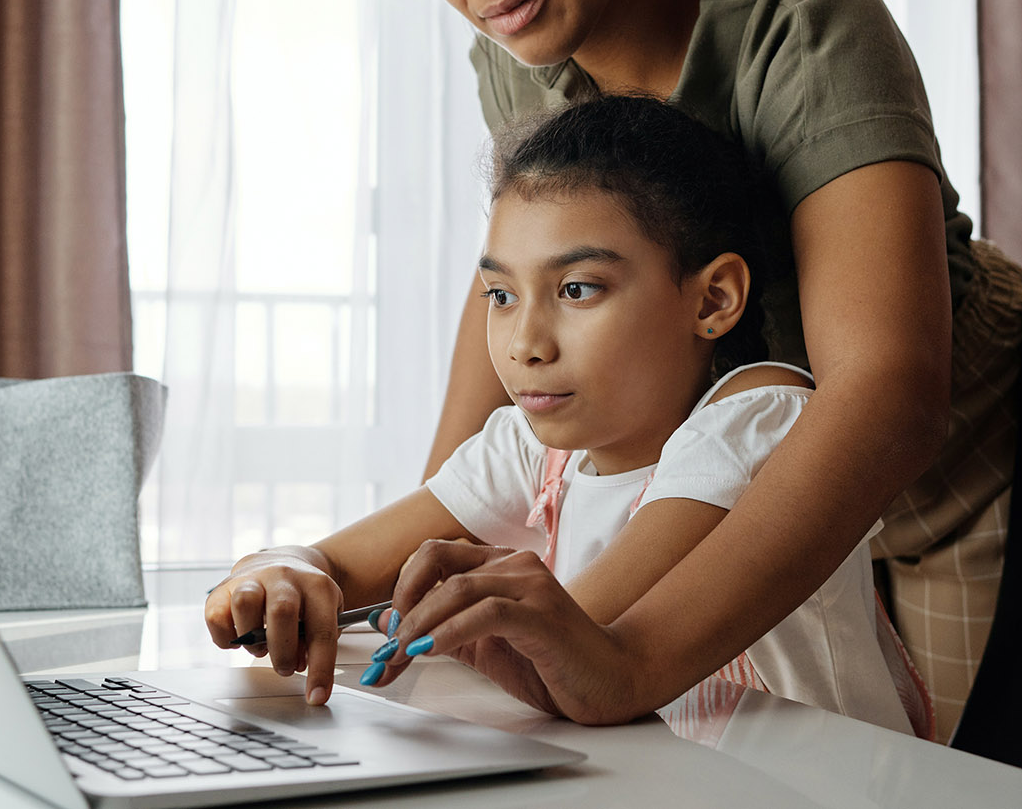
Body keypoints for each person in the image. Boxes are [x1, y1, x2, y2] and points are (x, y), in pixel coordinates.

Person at [337, 0, 1022, 737]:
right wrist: (421, 561)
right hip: (723, 467)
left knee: (948, 779)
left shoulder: (807, 25)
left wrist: (628, 661)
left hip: (937, 468)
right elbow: (517, 278)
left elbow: (888, 390)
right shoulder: (519, 49)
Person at [206, 96, 927, 737]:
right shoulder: (536, 449)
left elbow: (578, 641)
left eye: (578, 289)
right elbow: (337, 562)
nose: (525, 344)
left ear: (712, 300)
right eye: (501, 295)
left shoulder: (760, 419)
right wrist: (280, 572)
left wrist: (444, 614)